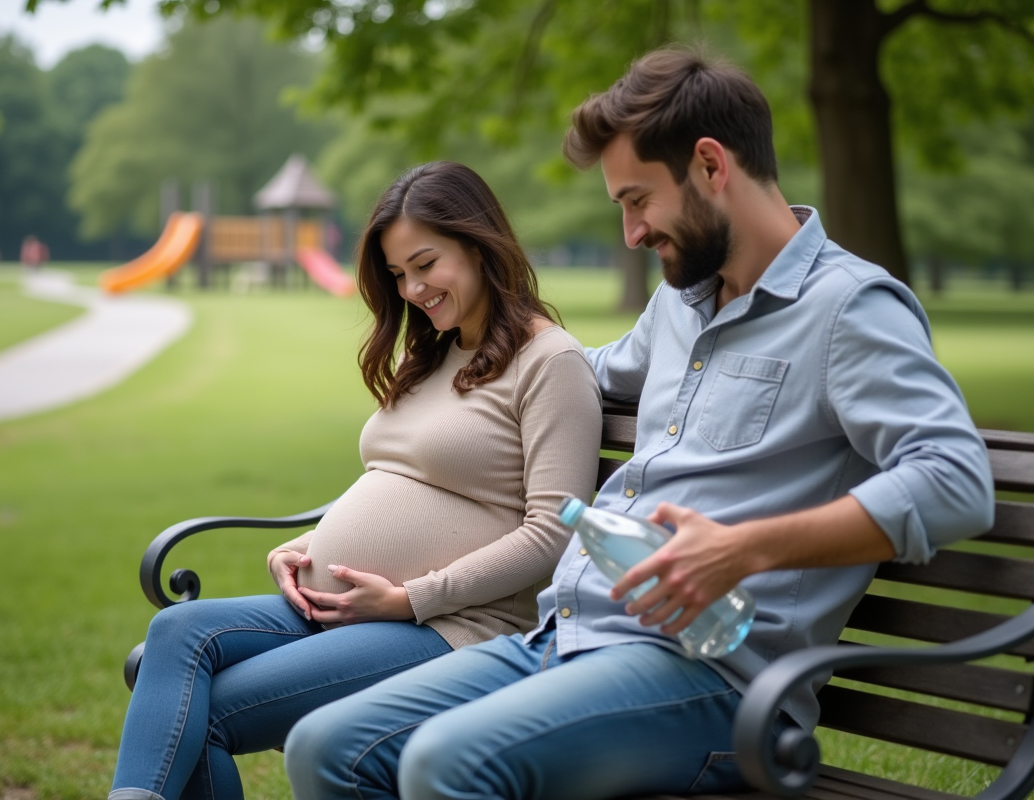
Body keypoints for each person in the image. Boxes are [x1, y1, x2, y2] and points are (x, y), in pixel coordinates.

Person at [282, 48, 995, 800]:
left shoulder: (849, 310)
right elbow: (566, 370)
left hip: (716, 680)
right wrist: (450, 378)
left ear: (711, 166)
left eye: (636, 200)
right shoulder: (680, 306)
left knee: (447, 762)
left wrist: (740, 549)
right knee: (327, 746)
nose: (629, 233)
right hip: (568, 635)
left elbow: (955, 479)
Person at [107, 162, 602, 800]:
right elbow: (399, 478)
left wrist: (411, 598)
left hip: (450, 627)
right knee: (175, 635)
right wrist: (310, 546)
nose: (413, 289)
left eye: (426, 264)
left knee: (199, 714)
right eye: (398, 275)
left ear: (480, 245)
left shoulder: (551, 363)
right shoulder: (437, 351)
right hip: (344, 609)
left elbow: (554, 534)